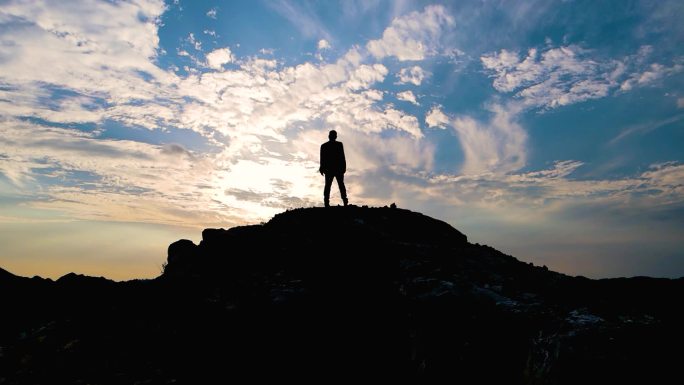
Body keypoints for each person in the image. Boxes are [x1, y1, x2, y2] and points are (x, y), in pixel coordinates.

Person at [319, 130, 348, 207]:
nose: (333, 136)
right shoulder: (324, 146)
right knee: (329, 186)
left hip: (336, 169)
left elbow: (342, 157)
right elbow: (322, 158)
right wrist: (322, 168)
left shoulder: (337, 145)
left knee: (339, 185)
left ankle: (344, 200)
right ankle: (327, 202)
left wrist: (344, 167)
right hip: (331, 169)